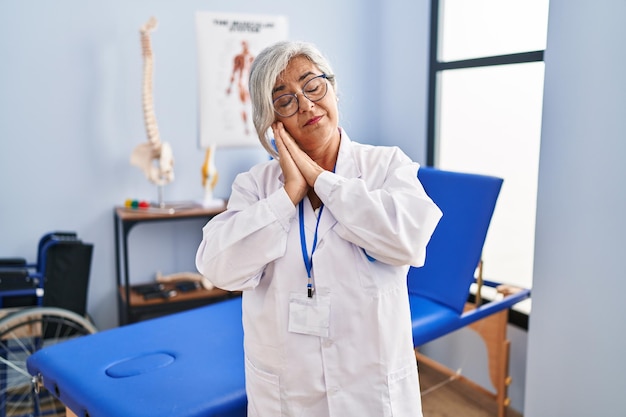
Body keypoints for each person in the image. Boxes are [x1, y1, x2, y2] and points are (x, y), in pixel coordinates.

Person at [196, 40, 442, 417]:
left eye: (313, 85)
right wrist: (287, 196)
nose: (307, 104)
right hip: (288, 396)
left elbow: (409, 240)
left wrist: (321, 181)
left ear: (333, 88)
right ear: (271, 122)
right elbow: (216, 266)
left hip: (371, 394)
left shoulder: (386, 165)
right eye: (285, 99)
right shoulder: (256, 186)